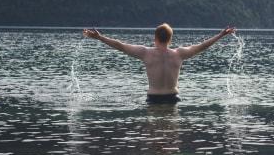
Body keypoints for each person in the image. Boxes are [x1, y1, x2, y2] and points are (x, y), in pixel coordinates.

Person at [82, 23, 236, 104]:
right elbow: (203, 46)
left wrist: (100, 38)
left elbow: (120, 45)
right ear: (170, 39)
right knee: (171, 136)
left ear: (155, 38)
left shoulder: (145, 53)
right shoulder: (179, 54)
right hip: (173, 99)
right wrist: (221, 34)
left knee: (155, 136)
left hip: (153, 99)